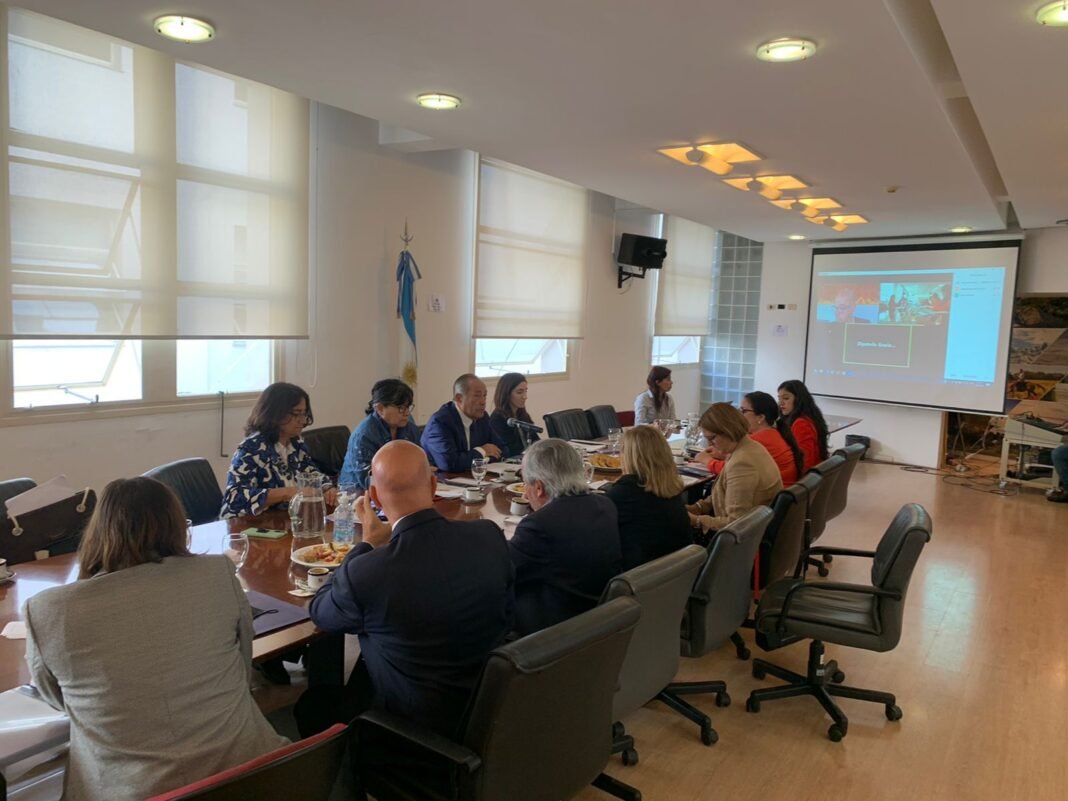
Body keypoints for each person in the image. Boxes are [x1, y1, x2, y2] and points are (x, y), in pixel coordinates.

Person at [23, 478, 288, 801]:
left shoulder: (47, 610)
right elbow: (242, 667)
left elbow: (58, 700)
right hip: (255, 777)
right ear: (177, 526)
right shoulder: (218, 573)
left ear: (98, 531)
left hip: (126, 789)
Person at [304, 441, 514, 737]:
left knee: (312, 706)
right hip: (493, 708)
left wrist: (366, 544)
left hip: (411, 728)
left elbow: (321, 612)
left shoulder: (369, 572)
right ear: (433, 485)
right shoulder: (488, 535)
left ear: (375, 497)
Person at [509, 438, 621, 635]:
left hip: (557, 630)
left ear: (539, 488)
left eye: (525, 483)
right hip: (601, 617)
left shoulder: (539, 525)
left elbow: (505, 573)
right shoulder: (605, 505)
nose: (525, 494)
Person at [221, 382, 336, 518]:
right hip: (245, 523)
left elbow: (310, 472)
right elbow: (235, 496)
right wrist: (288, 492)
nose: (302, 421)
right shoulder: (251, 448)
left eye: (304, 414)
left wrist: (327, 487)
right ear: (275, 413)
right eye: (296, 414)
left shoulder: (296, 443)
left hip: (280, 519)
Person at [606, 425, 695, 570]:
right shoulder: (671, 487)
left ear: (628, 456)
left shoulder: (623, 494)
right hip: (680, 573)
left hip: (637, 578)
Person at [687, 403, 783, 535]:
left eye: (712, 438)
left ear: (728, 431)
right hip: (759, 528)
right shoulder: (750, 447)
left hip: (747, 539)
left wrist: (696, 520)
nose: (709, 444)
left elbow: (736, 523)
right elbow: (725, 492)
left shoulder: (741, 463)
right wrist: (698, 507)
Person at [704, 391, 804, 485]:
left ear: (760, 417)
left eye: (743, 411)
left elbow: (733, 471)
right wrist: (722, 454)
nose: (739, 415)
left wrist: (706, 460)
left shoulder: (756, 441)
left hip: (771, 495)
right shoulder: (772, 433)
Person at [339, 378, 421, 490]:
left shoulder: (410, 428)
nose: (407, 413)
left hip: (398, 488)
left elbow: (419, 463)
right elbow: (368, 480)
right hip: (356, 492)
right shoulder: (364, 435)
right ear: (380, 409)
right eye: (401, 408)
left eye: (408, 407)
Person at [421, 373, 506, 472]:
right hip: (443, 480)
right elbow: (449, 464)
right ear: (459, 398)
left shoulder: (482, 418)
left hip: (474, 477)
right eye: (477, 396)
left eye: (484, 395)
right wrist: (483, 451)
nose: (483, 402)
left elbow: (503, 450)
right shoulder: (440, 422)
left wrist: (481, 459)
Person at [777, 379, 830, 470]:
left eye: (786, 398)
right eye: (779, 398)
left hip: (808, 476)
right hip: (816, 473)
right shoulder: (810, 417)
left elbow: (805, 462)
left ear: (798, 399)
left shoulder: (801, 424)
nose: (780, 403)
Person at [489, 372, 540, 457]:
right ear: (506, 394)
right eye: (519, 392)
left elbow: (536, 441)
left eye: (526, 391)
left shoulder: (523, 415)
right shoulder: (497, 420)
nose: (525, 396)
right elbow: (507, 451)